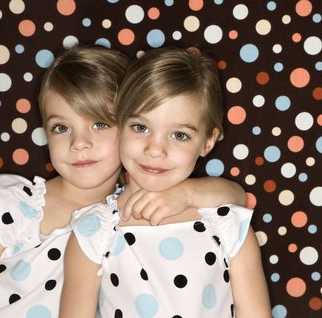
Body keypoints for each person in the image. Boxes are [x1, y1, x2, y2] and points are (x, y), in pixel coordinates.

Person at [0, 45, 247, 317]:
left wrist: (187, 192)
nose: (80, 143)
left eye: (100, 124)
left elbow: (234, 196)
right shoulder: (17, 209)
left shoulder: (129, 214)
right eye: (61, 127)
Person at [60, 47, 271, 317]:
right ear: (119, 126)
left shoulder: (227, 225)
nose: (155, 149)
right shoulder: (94, 232)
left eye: (180, 135)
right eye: (140, 127)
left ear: (207, 141)